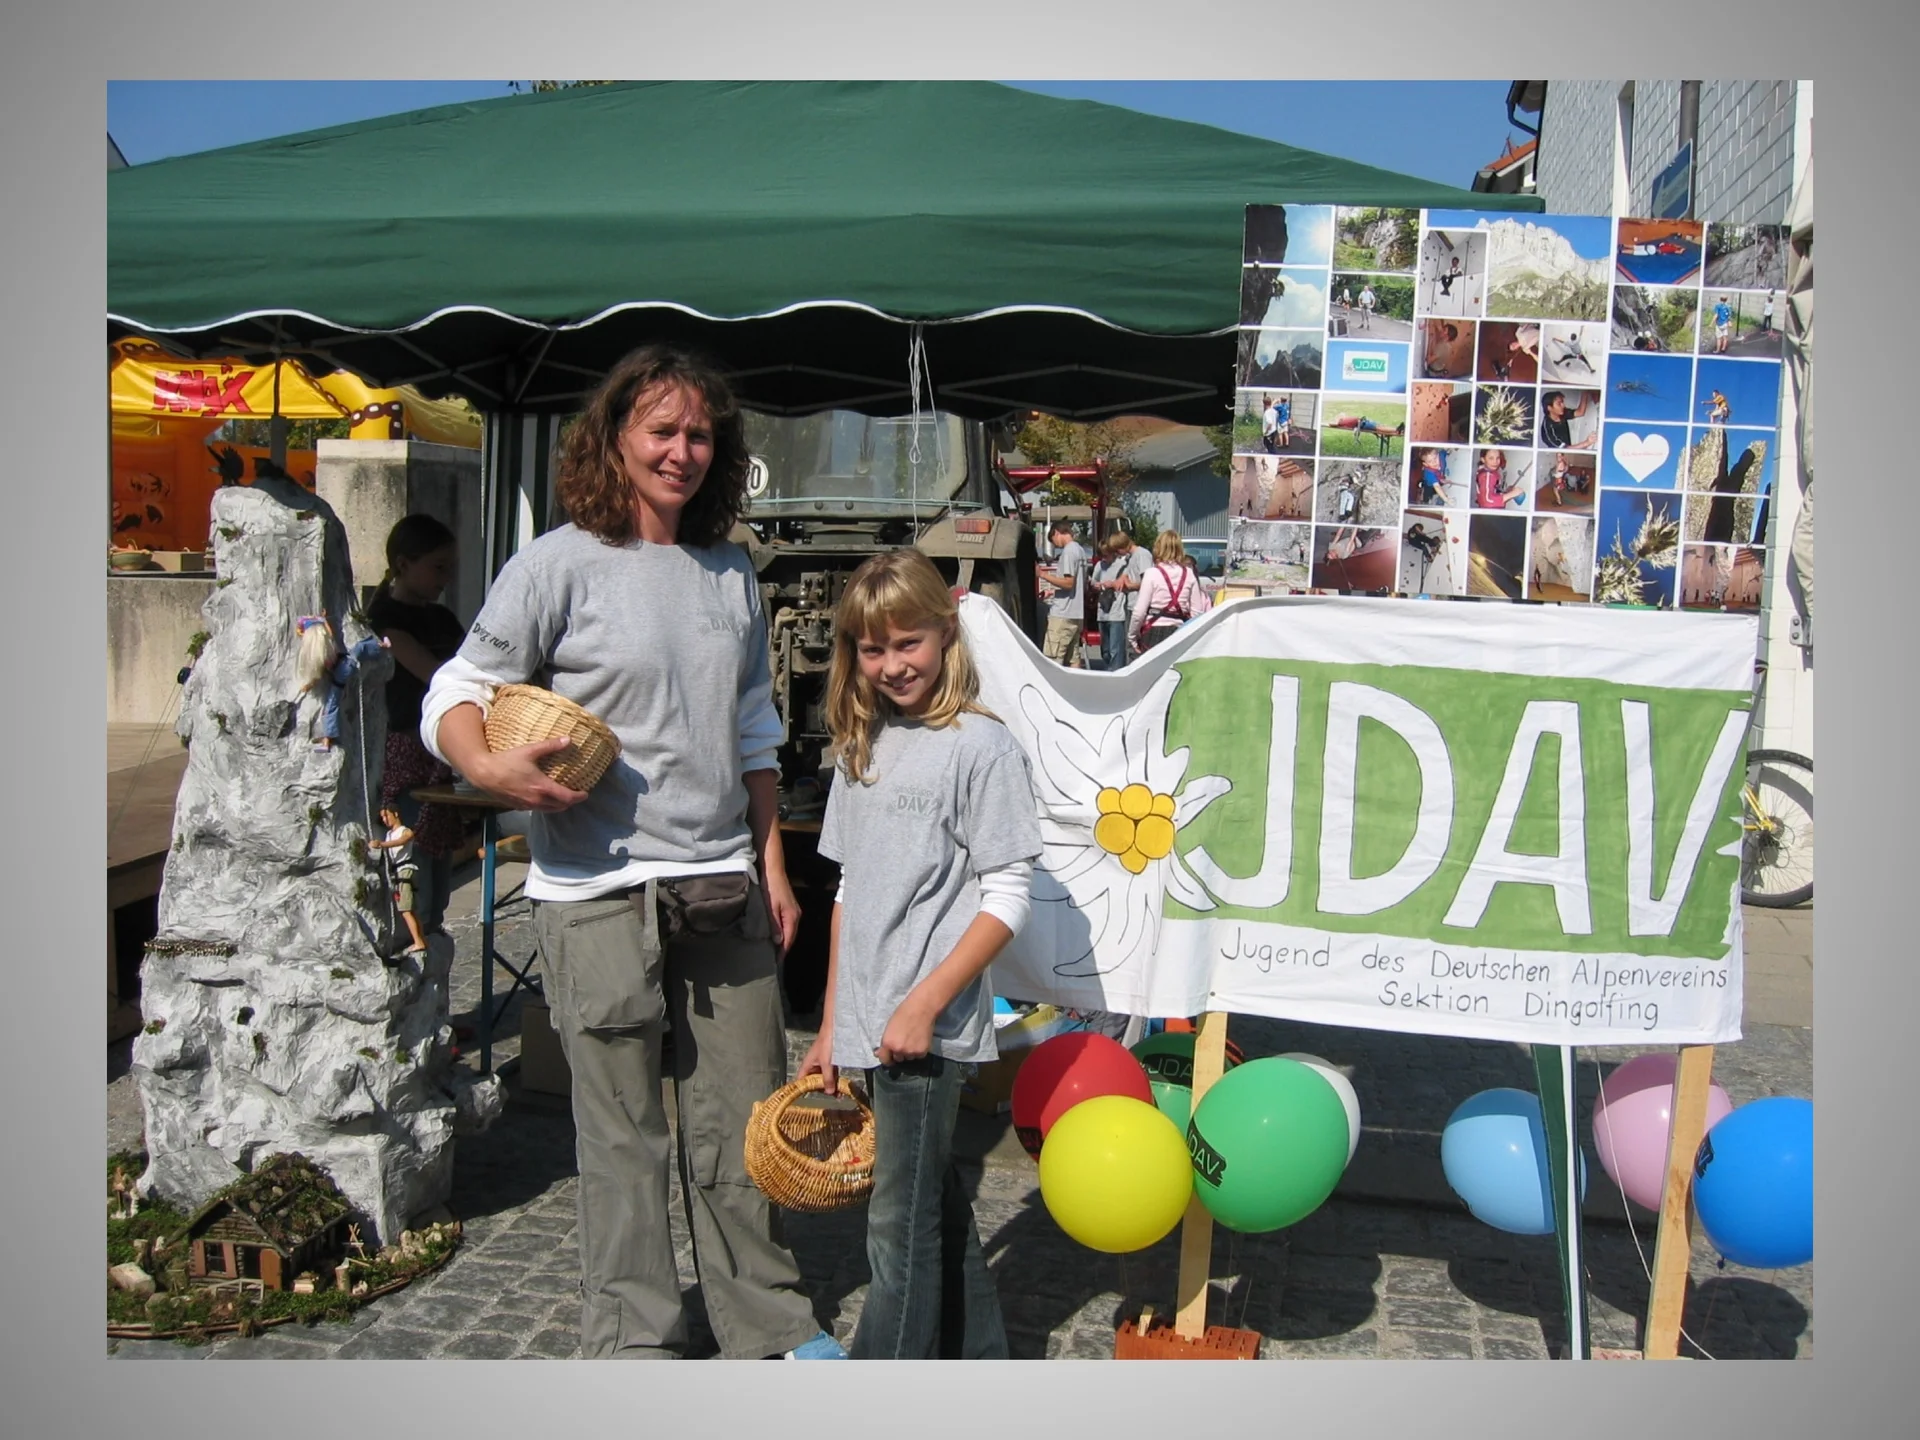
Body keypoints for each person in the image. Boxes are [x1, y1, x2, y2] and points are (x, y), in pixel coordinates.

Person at [418, 345, 842, 1361]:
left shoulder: (729, 568)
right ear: (615, 439)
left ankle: (768, 1324)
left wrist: (773, 870)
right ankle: (634, 1339)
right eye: (662, 430)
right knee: (621, 1138)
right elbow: (454, 693)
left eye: (700, 435)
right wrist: (494, 772)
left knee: (739, 1125)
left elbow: (752, 733)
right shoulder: (558, 562)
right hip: (597, 890)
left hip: (719, 882)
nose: (683, 452)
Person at [800, 549, 1042, 1360]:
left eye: (909, 643)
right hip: (873, 1022)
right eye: (873, 649)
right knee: (930, 1206)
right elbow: (848, 894)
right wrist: (835, 1022)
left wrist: (926, 1001)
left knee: (895, 1231)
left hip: (924, 1033)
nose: (893, 664)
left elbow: (1007, 895)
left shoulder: (981, 747)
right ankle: (982, 1366)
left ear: (945, 634)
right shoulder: (861, 747)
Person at [367, 513, 468, 935]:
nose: (445, 578)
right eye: (437, 567)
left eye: (449, 567)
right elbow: (439, 675)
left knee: (438, 876)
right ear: (404, 564)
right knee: (409, 875)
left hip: (439, 760)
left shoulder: (442, 619)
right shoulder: (382, 620)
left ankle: (432, 961)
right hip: (402, 761)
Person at [295, 617, 389, 752]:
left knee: (331, 704)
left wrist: (308, 686)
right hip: (346, 665)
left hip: (343, 669)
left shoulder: (321, 654)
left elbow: (318, 674)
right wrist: (324, 620)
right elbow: (329, 633)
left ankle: (327, 740)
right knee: (360, 647)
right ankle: (382, 646)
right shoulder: (327, 648)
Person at [1128, 531, 1212, 655]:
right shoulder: (1188, 574)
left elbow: (1139, 612)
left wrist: (1132, 636)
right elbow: (1197, 613)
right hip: (1179, 633)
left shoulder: (1151, 573)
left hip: (1153, 631)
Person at [366, 808, 428, 956]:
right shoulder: (388, 834)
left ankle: (418, 942)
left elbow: (403, 840)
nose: (385, 820)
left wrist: (381, 844)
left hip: (405, 870)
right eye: (383, 817)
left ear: (396, 814)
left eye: (387, 815)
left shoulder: (404, 831)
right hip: (398, 872)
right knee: (410, 910)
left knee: (406, 910)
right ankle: (422, 939)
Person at [1091, 524, 1148, 672]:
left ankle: (1124, 674)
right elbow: (1125, 576)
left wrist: (1126, 586)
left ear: (1121, 547)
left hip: (1134, 606)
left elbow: (1147, 583)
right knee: (1123, 646)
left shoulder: (1141, 555)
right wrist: (1115, 583)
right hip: (1127, 605)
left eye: (1116, 551)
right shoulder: (1131, 557)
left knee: (1129, 646)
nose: (1117, 554)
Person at [1036, 518, 1089, 668]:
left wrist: (1043, 575)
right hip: (1076, 613)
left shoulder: (1069, 551)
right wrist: (1053, 592)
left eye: (1053, 540)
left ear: (1057, 532)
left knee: (1053, 657)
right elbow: (1078, 585)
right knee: (1073, 657)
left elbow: (1068, 583)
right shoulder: (1080, 551)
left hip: (1062, 615)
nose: (1055, 545)